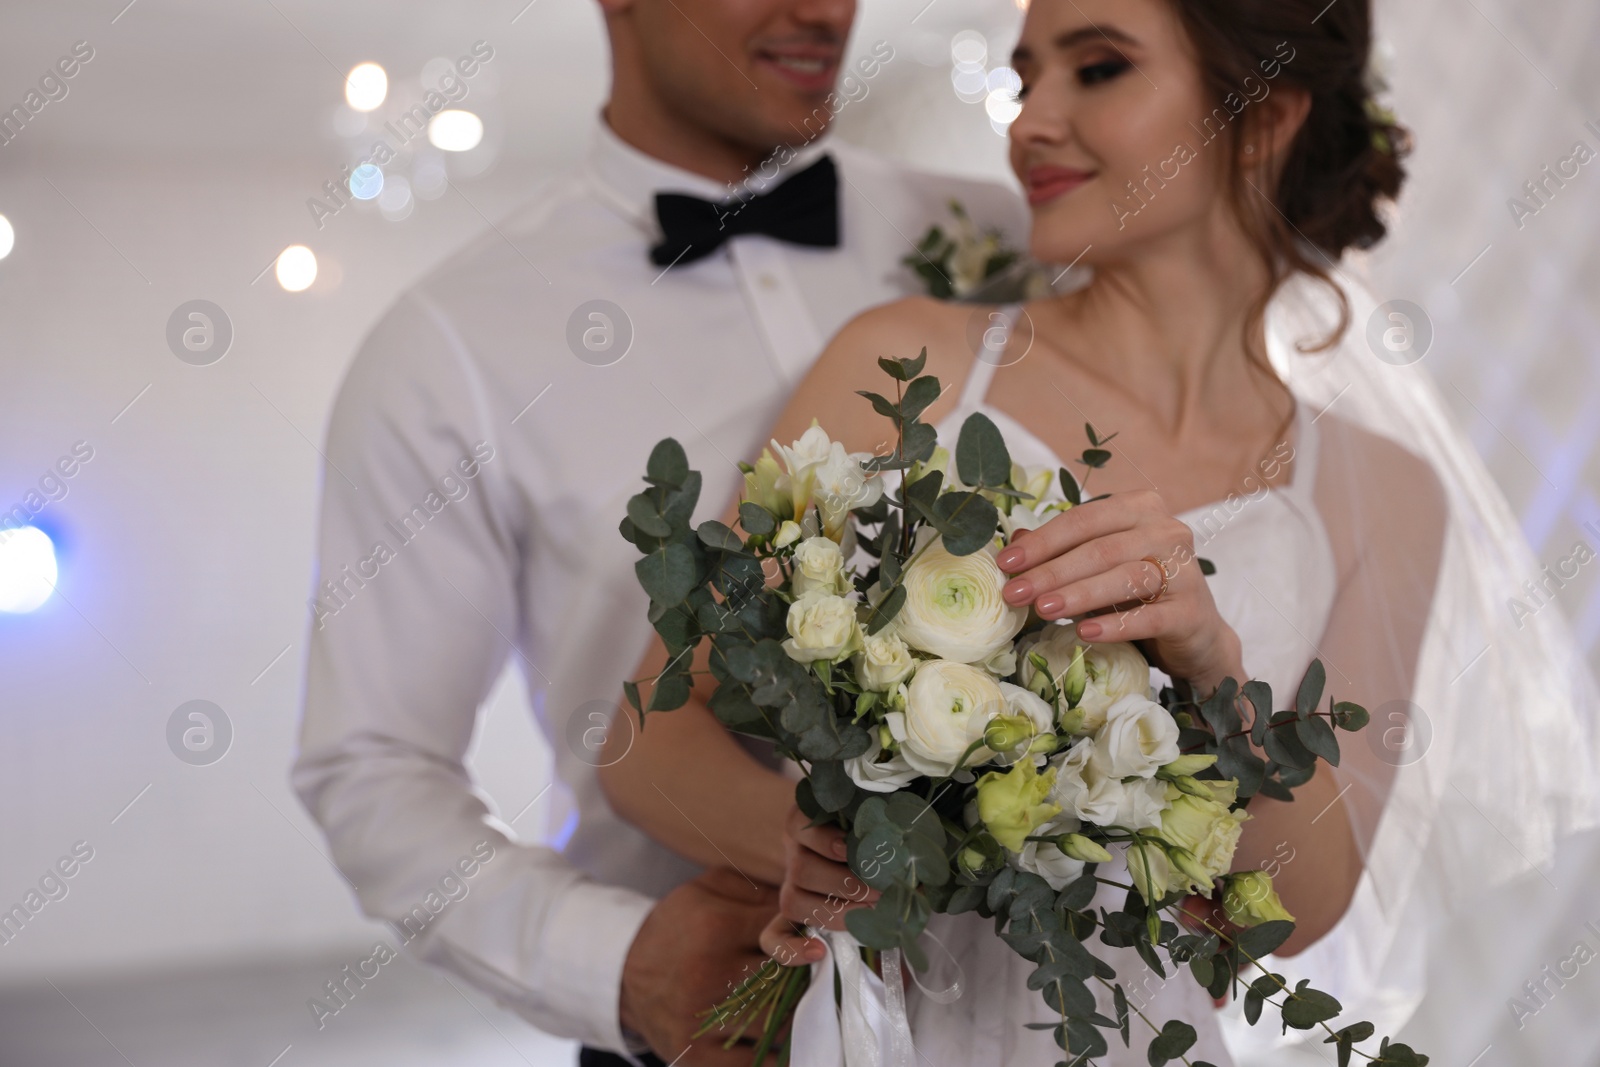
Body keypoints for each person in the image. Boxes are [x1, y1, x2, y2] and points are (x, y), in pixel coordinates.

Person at [601, 0, 1600, 1063]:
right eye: (1027, 78)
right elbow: (641, 736)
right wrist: (814, 843)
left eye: (1099, 68)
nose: (1029, 122)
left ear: (1263, 117)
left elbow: (1285, 912)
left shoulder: (1387, 492)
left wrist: (1213, 669)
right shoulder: (902, 365)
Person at [290, 1, 1026, 1066]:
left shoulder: (999, 237)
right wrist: (618, 961)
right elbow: (373, 763)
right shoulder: (450, 344)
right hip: (714, 1024)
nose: (823, 9)